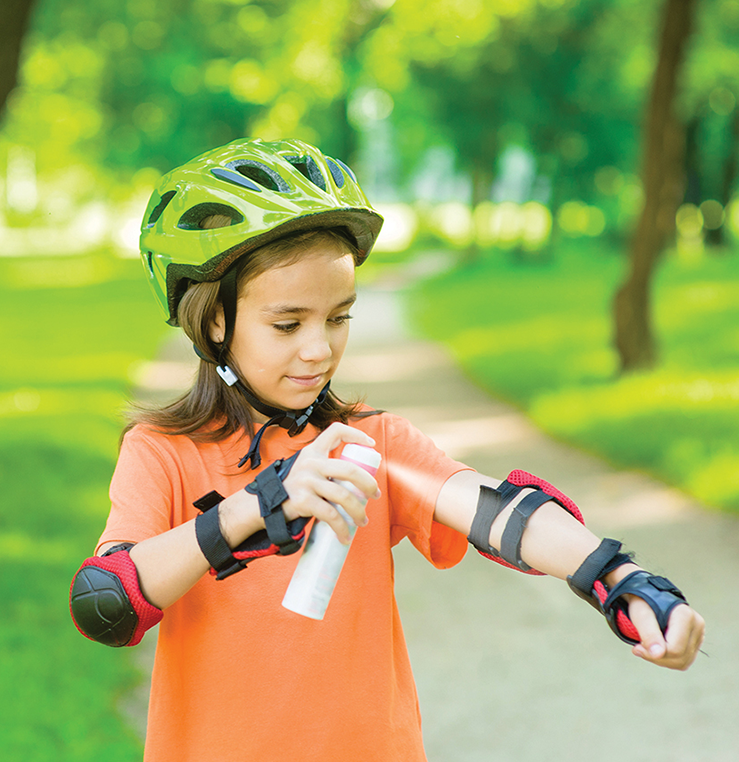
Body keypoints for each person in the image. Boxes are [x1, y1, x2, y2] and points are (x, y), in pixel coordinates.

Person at [69, 138, 706, 762]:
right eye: (287, 324)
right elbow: (106, 602)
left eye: (339, 317)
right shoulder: (163, 453)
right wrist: (251, 508)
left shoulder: (369, 443)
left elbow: (496, 511)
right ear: (214, 322)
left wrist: (617, 578)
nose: (318, 348)